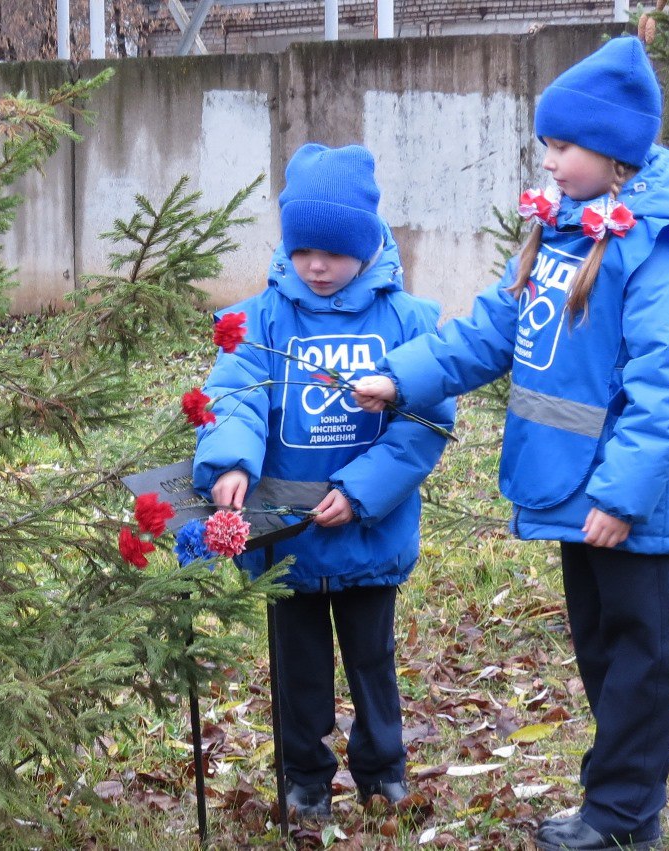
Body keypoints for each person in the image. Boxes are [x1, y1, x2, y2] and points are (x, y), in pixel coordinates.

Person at [353, 36, 669, 851]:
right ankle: (612, 802)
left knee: (640, 656)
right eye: (546, 145)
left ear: (613, 150)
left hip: (628, 499)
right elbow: (496, 327)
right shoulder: (562, 235)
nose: (547, 162)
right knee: (601, 649)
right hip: (571, 487)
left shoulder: (655, 245)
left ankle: (625, 818)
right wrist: (401, 376)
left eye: (561, 146)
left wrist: (622, 496)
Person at [192, 143, 455, 820]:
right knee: (296, 669)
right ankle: (304, 777)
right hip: (289, 536)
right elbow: (236, 395)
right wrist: (229, 462)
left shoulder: (407, 321)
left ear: (366, 246)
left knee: (373, 660)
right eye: (304, 249)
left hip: (368, 529)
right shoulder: (259, 320)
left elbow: (422, 421)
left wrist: (364, 489)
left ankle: (382, 768)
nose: (317, 265)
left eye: (334, 252)